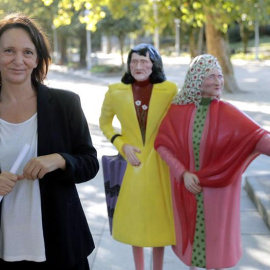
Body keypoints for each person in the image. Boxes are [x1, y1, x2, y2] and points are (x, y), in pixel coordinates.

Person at [0, 13, 99, 270]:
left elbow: (89, 162)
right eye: (8, 50)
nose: (18, 60)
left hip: (59, 244)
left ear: (38, 59)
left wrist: (60, 160)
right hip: (4, 245)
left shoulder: (66, 104)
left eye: (28, 52)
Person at [154, 54, 270, 270]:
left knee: (216, 245)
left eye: (219, 76)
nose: (218, 81)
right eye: (211, 76)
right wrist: (183, 173)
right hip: (187, 188)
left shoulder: (228, 112)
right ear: (197, 79)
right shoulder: (178, 111)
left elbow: (259, 138)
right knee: (191, 244)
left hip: (218, 193)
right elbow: (162, 145)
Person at [99, 43, 177, 270]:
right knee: (135, 221)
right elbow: (104, 123)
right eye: (134, 61)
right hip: (132, 165)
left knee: (160, 221)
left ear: (154, 64)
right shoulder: (115, 91)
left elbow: (178, 123)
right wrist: (122, 145)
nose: (138, 66)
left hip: (160, 165)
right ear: (128, 64)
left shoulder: (170, 90)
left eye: (144, 61)